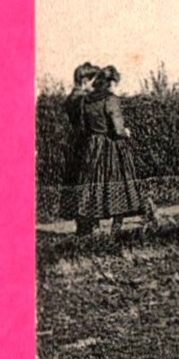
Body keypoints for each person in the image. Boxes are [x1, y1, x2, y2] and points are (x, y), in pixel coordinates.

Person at [65, 65, 148, 235]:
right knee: (119, 186)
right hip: (111, 147)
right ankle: (114, 231)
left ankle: (94, 230)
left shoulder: (86, 100)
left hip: (93, 147)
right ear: (110, 82)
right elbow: (117, 129)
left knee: (94, 187)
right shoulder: (111, 100)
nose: (116, 87)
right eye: (115, 83)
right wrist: (126, 132)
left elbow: (83, 127)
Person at [59, 62, 100, 231]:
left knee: (76, 180)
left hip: (73, 142)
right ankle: (87, 225)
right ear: (85, 80)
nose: (95, 86)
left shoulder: (71, 98)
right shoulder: (83, 100)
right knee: (87, 181)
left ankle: (82, 224)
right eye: (93, 82)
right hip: (84, 142)